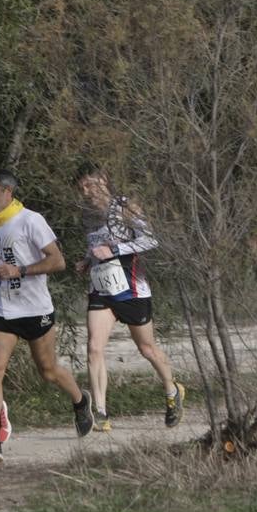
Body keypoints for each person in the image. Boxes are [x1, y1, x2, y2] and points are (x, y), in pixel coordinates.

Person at [0, 171, 93, 465]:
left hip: (35, 310)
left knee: (48, 371)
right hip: (3, 310)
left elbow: (57, 260)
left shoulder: (30, 220)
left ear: (7, 191)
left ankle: (80, 399)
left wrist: (20, 270)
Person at [76, 165, 184, 432]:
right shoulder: (87, 215)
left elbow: (150, 240)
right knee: (94, 348)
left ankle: (172, 390)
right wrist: (88, 261)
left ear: (104, 180)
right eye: (82, 188)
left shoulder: (124, 206)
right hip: (101, 289)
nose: (87, 192)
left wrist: (115, 249)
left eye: (90, 184)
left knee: (147, 349)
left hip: (131, 289)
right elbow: (95, 248)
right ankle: (100, 412)